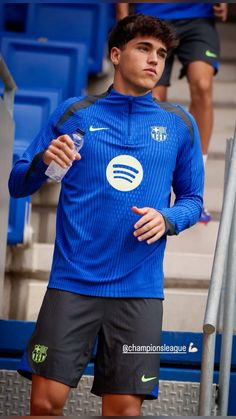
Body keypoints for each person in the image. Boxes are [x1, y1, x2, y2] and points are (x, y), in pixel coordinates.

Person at [9, 14, 204, 416]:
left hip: (140, 292)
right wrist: (46, 160)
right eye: (144, 49)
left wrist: (167, 219)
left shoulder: (180, 123)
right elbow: (17, 183)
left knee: (124, 411)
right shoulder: (75, 113)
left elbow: (193, 200)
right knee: (45, 405)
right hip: (72, 284)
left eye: (162, 53)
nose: (155, 60)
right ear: (116, 55)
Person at [116, 3, 228, 223]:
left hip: (198, 15)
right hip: (152, 14)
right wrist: (122, 13)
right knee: (153, 96)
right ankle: (150, 181)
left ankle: (194, 183)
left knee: (203, 85)